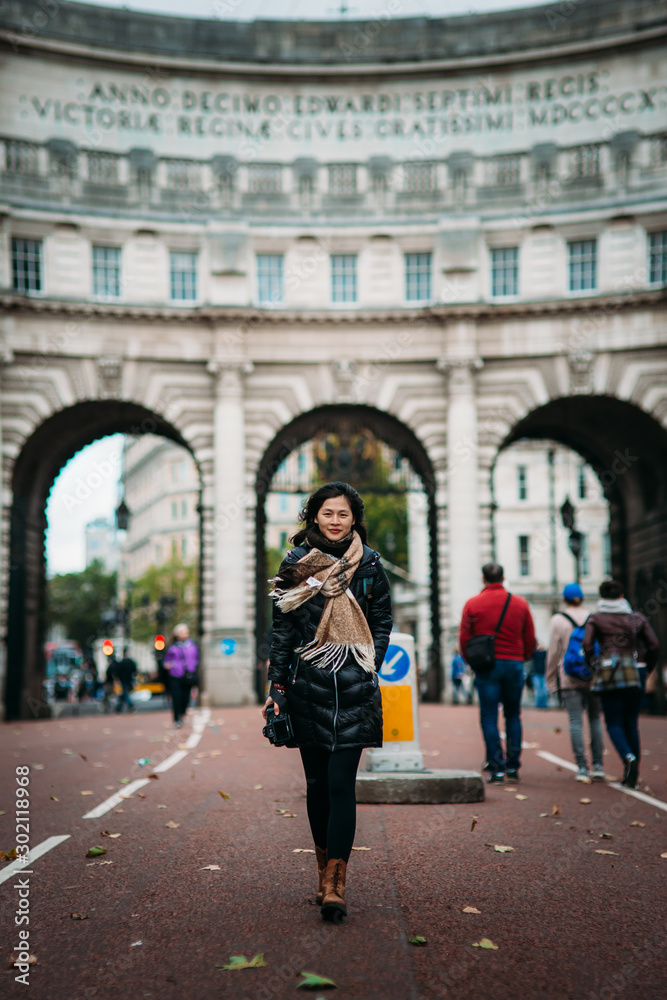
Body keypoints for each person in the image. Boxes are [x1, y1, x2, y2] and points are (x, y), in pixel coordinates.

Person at [264, 482, 392, 922]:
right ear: (313, 517)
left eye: (343, 514)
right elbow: (281, 631)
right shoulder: (296, 565)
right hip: (308, 687)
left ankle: (337, 882)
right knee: (317, 785)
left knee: (341, 783)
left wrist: (365, 660)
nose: (335, 520)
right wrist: (276, 687)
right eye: (327, 513)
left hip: (355, 688)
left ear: (354, 518)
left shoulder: (371, 564)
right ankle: (322, 873)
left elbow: (383, 621)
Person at [459, 562, 536, 784]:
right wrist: (523, 656)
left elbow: (465, 639)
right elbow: (530, 637)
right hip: (514, 663)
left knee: (489, 716)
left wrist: (471, 662)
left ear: (483, 579)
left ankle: (496, 767)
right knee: (513, 714)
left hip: (487, 666)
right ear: (503, 578)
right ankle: (513, 766)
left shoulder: (473, 604)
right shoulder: (520, 604)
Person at [583, 579, 659, 789]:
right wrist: (647, 667)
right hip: (636, 670)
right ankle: (633, 770)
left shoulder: (596, 617)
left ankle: (628, 759)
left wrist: (593, 665)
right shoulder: (636, 617)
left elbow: (587, 644)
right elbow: (654, 644)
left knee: (613, 722)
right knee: (631, 723)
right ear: (621, 594)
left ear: (601, 596)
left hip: (610, 672)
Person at [546, 583, 604, 782]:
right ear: (583, 599)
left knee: (575, 722)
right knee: (596, 719)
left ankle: (581, 767)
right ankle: (598, 765)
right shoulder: (593, 618)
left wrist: (551, 679)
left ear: (564, 599)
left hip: (569, 677)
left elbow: (553, 653)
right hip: (593, 677)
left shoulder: (558, 620)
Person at [164, 623, 199, 728]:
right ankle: (176, 719)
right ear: (177, 634)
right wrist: (169, 665)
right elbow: (167, 660)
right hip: (175, 675)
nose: (186, 634)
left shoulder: (193, 645)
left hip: (188, 675)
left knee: (186, 698)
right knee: (176, 697)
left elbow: (196, 658)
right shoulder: (172, 647)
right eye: (183, 632)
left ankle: (182, 713)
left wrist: (193, 667)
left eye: (186, 632)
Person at [114, 648, 137, 714]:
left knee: (125, 693)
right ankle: (119, 706)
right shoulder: (130, 662)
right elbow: (134, 670)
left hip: (124, 680)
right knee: (125, 693)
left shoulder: (121, 662)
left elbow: (117, 672)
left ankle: (127, 705)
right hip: (129, 679)